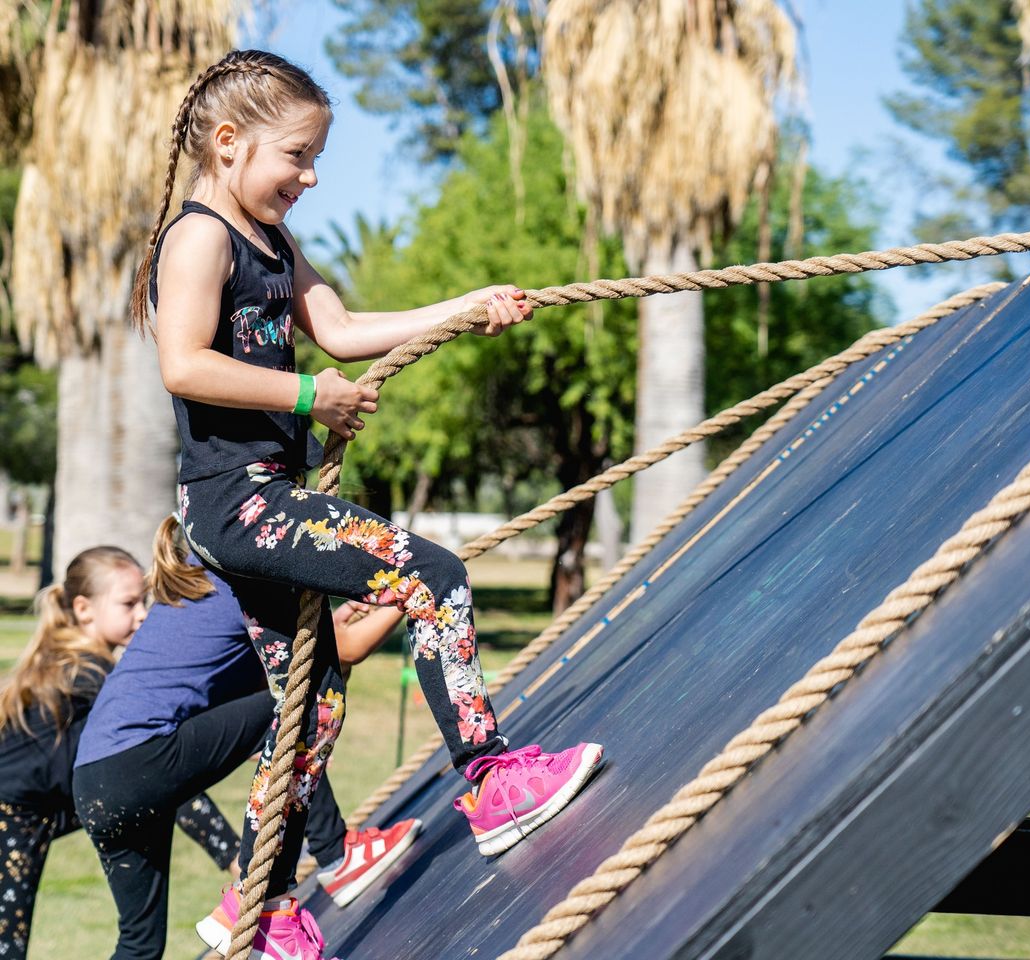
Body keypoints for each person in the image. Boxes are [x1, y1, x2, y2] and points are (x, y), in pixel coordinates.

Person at [125, 47, 603, 958]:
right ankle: (493, 778)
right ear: (228, 144)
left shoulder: (273, 243)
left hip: (261, 498)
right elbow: (183, 362)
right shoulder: (199, 237)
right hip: (237, 502)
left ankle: (252, 913)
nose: (308, 177)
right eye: (295, 156)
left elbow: (340, 332)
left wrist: (467, 305)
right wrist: (309, 399)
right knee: (435, 575)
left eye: (315, 161)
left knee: (314, 703)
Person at [74, 518, 421, 960]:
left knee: (139, 943)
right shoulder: (240, 570)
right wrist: (413, 591)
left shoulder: (197, 577)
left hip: (94, 781)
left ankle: (326, 859)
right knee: (302, 705)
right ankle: (337, 856)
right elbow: (343, 652)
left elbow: (273, 664)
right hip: (137, 759)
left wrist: (326, 627)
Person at [0, 546, 242, 960]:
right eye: (129, 604)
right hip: (13, 814)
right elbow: (159, 774)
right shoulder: (86, 674)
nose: (143, 614)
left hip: (37, 808)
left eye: (144, 602)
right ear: (84, 609)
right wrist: (233, 857)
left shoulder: (81, 665)